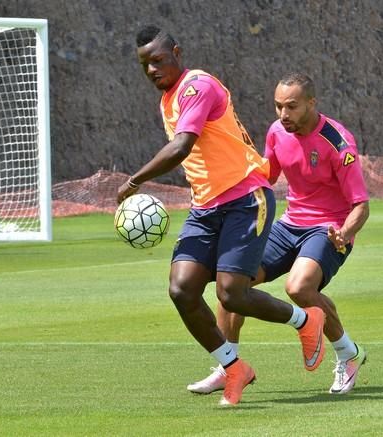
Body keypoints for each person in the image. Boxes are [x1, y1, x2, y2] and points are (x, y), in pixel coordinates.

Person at [117, 26, 326, 406]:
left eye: (159, 59)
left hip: (246, 198)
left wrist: (134, 181)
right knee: (182, 289)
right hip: (206, 207)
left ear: (177, 52)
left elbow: (182, 147)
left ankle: (305, 320)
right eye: (145, 64)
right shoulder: (167, 101)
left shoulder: (198, 86)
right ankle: (233, 368)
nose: (152, 69)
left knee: (231, 294)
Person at [188, 72, 370, 395]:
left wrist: (344, 232)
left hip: (327, 229)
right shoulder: (276, 132)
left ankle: (348, 354)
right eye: (277, 107)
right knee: (233, 281)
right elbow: (265, 178)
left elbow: (361, 206)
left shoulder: (339, 143)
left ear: (312, 103)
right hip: (288, 225)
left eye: (291, 106)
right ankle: (228, 366)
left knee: (299, 288)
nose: (283, 115)